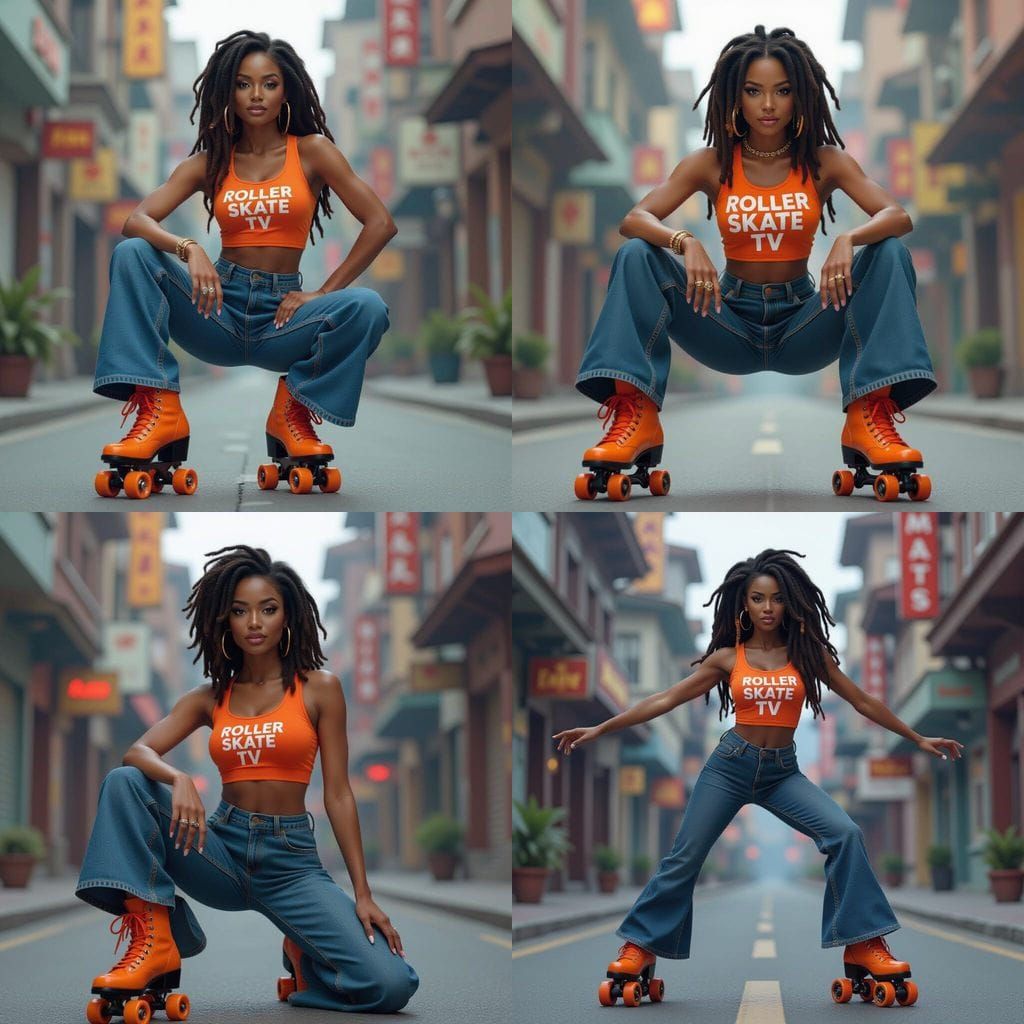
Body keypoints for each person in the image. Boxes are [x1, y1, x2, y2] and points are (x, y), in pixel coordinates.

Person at [553, 549, 963, 1009]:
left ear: (790, 603)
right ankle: (640, 947)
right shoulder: (728, 658)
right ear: (743, 605)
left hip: (781, 772)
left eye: (776, 599)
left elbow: (863, 701)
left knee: (845, 833)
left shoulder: (810, 656)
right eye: (757, 599)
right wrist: (600, 728)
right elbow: (664, 700)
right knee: (684, 857)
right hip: (730, 765)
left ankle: (863, 943)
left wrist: (916, 736)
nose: (767, 607)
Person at [573, 25, 936, 504]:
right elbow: (634, 219)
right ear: (734, 98)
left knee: (888, 250)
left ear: (800, 96)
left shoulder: (826, 162)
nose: (768, 104)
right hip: (725, 322)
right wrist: (683, 241)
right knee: (637, 254)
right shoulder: (710, 163)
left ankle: (870, 414)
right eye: (753, 91)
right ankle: (634, 414)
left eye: (782, 91)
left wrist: (850, 236)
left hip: (806, 322)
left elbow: (898, 215)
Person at [76, 545, 419, 1016]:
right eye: (240, 611)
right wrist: (178, 778)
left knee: (391, 984)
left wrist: (363, 895)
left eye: (268, 609)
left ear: (287, 617)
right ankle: (156, 942)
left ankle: (305, 961)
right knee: (124, 782)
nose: (254, 622)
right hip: (219, 851)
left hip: (292, 865)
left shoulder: (320, 688)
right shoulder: (209, 697)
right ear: (225, 621)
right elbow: (138, 751)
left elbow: (338, 792)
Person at [93, 30, 397, 499]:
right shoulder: (210, 162)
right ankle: (160, 409)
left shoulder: (312, 151)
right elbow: (137, 220)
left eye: (269, 83)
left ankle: (292, 409)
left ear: (286, 90)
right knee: (134, 253)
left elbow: (379, 223)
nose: (257, 95)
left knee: (368, 306)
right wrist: (190, 247)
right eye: (243, 83)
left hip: (285, 316)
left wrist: (323, 293)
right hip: (216, 309)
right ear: (226, 92)